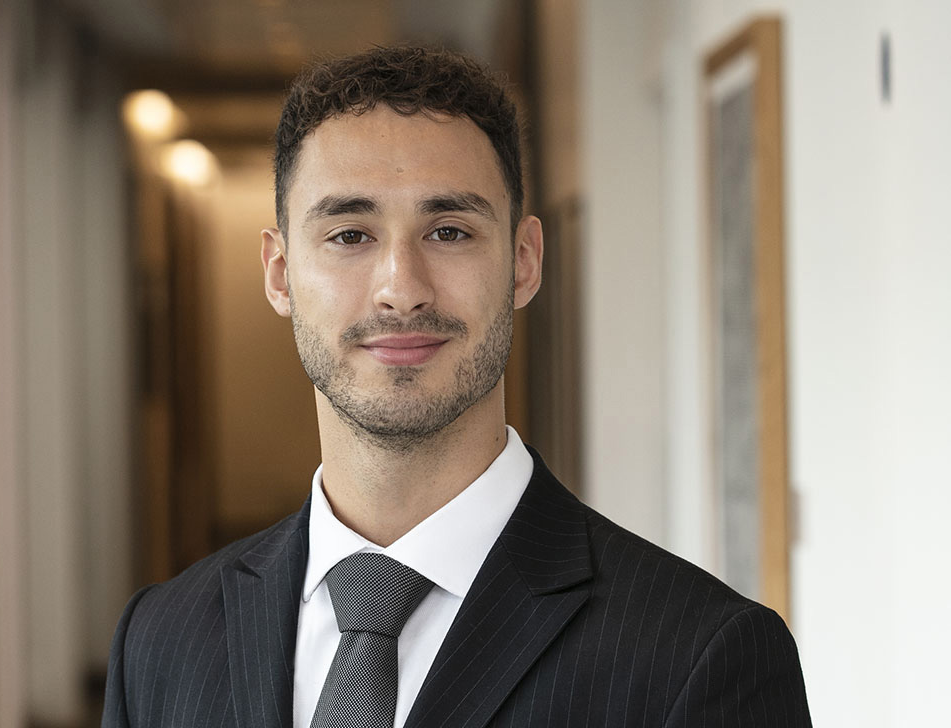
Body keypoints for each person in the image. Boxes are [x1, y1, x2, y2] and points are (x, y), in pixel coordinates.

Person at [102, 46, 811, 728]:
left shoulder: (697, 657)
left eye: (448, 231)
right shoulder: (157, 643)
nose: (401, 288)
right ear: (280, 274)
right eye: (350, 235)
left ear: (524, 261)